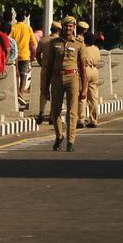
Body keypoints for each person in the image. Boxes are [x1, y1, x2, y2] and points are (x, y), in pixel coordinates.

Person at [40, 16, 85, 152]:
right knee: (55, 111)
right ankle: (59, 135)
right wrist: (45, 87)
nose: (68, 28)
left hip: (73, 77)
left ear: (74, 27)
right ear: (62, 27)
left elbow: (83, 68)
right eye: (65, 26)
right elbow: (48, 66)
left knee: (72, 111)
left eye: (70, 26)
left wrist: (84, 89)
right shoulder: (53, 44)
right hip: (57, 78)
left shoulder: (79, 44)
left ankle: (71, 141)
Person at [11, 12, 37, 103]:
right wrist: (34, 56)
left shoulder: (13, 28)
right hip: (25, 55)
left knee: (15, 74)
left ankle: (16, 92)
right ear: (23, 19)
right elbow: (33, 44)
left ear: (16, 18)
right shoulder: (28, 28)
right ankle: (21, 93)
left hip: (14, 55)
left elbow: (9, 40)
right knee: (24, 75)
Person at [80, 29, 101, 128]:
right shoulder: (96, 49)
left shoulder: (83, 48)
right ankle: (94, 119)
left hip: (85, 70)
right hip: (95, 70)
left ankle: (81, 119)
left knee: (82, 94)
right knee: (93, 97)